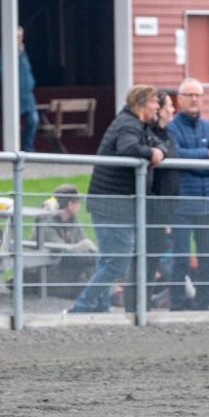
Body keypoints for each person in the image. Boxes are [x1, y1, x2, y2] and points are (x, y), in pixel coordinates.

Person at [69, 85, 165, 313]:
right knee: (116, 263)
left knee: (109, 261)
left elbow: (160, 143)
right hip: (112, 205)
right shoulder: (128, 124)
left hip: (114, 205)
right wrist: (151, 153)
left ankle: (98, 308)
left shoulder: (137, 124)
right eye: (154, 102)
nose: (158, 106)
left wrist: (158, 150)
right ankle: (81, 307)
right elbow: (127, 148)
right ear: (141, 104)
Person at [166, 77, 209, 310]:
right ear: (179, 99)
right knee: (180, 258)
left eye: (197, 95)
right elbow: (175, 155)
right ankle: (177, 305)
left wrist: (196, 161)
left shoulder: (208, 127)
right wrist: (205, 154)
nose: (194, 99)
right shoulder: (171, 127)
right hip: (181, 204)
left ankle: (204, 303)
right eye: (189, 95)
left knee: (206, 258)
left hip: (207, 204)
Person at [25, 185, 97, 298]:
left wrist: (92, 254)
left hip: (63, 269)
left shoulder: (71, 220)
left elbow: (83, 243)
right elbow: (63, 252)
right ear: (70, 204)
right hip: (45, 275)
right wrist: (94, 257)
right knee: (88, 287)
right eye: (77, 202)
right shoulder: (47, 222)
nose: (79, 205)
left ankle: (102, 291)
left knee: (93, 263)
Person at [144, 90, 179, 305]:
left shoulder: (166, 134)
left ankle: (144, 303)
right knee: (146, 258)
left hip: (164, 210)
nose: (172, 110)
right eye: (168, 106)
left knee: (154, 257)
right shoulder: (151, 135)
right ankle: (139, 304)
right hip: (152, 210)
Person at [0, 26, 39, 151]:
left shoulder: (23, 53)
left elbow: (28, 71)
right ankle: (12, 151)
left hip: (28, 96)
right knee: (12, 125)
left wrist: (31, 83)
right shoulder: (2, 54)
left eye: (21, 36)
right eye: (17, 37)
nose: (20, 39)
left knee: (33, 121)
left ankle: (28, 149)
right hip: (12, 96)